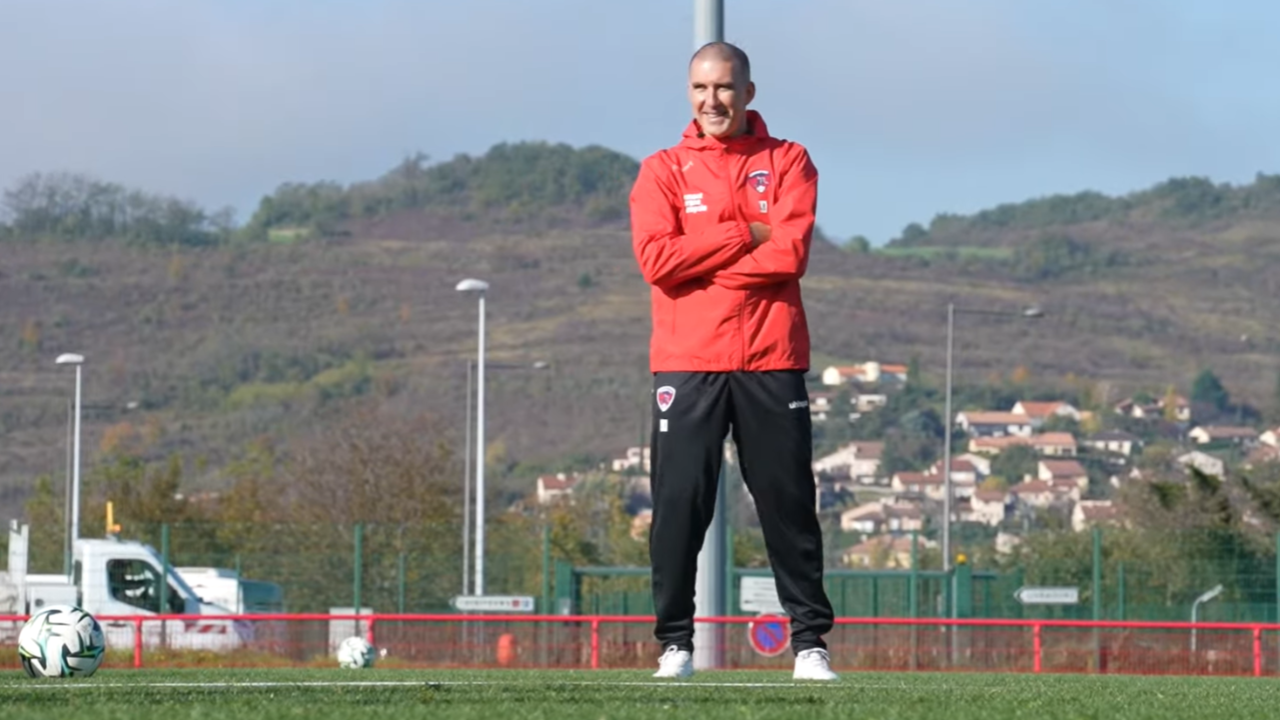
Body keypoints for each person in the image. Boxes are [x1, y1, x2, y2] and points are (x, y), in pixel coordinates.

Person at [628, 41, 838, 682]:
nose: (711, 100)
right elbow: (656, 263)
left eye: (724, 88)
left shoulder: (789, 161)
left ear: (748, 93)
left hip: (771, 359)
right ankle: (675, 645)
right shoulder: (661, 170)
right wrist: (744, 232)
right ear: (688, 93)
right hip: (687, 361)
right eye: (700, 88)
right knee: (679, 504)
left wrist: (702, 257)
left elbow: (791, 255)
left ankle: (810, 646)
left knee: (787, 502)